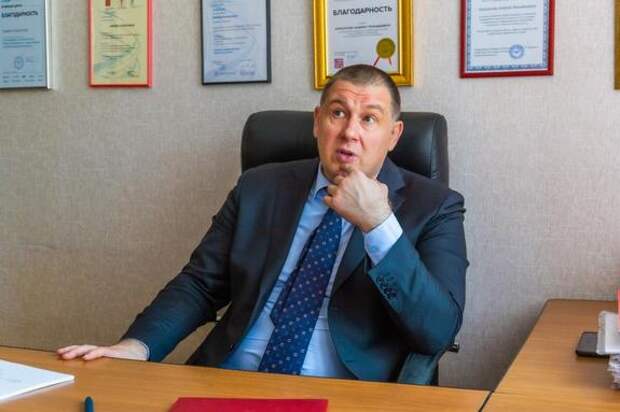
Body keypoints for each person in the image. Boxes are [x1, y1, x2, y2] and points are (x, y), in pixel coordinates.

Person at [58, 65, 468, 385]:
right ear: (317, 121)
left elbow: (436, 331)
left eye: (369, 119)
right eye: (338, 113)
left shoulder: (435, 206)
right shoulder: (259, 187)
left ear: (394, 135)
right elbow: (200, 285)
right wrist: (137, 347)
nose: (349, 132)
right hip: (229, 381)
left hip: (342, 392)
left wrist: (379, 225)